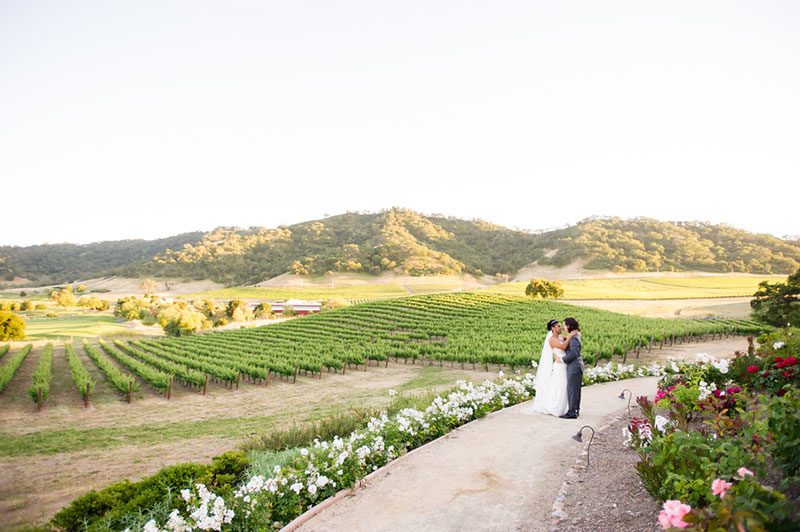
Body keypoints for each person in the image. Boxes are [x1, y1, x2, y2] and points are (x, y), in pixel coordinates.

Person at [527, 319, 577, 417]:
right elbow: (562, 347)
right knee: (560, 384)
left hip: (564, 363)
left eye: (560, 326)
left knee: (564, 385)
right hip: (560, 365)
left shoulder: (561, 337)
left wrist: (571, 336)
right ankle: (555, 406)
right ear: (552, 328)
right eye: (558, 326)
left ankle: (565, 406)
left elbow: (568, 342)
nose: (561, 327)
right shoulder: (552, 339)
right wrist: (570, 336)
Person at [559, 317, 584, 419]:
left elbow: (574, 353)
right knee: (575, 389)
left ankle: (572, 412)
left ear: (568, 326)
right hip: (576, 366)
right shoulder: (574, 335)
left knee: (572, 389)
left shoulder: (574, 337)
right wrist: (566, 338)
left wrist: (562, 359)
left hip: (574, 366)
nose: (564, 327)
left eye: (564, 325)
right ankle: (575, 410)